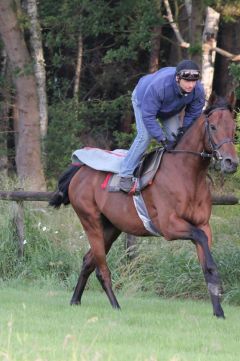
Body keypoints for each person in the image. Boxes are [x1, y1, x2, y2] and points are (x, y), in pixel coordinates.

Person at [119, 59, 205, 193]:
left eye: (193, 81)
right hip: (143, 101)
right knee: (145, 137)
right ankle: (125, 175)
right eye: (187, 81)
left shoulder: (198, 90)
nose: (191, 85)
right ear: (177, 78)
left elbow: (193, 114)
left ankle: (173, 175)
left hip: (169, 109)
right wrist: (161, 139)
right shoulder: (159, 86)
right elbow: (148, 116)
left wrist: (183, 132)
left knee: (177, 139)